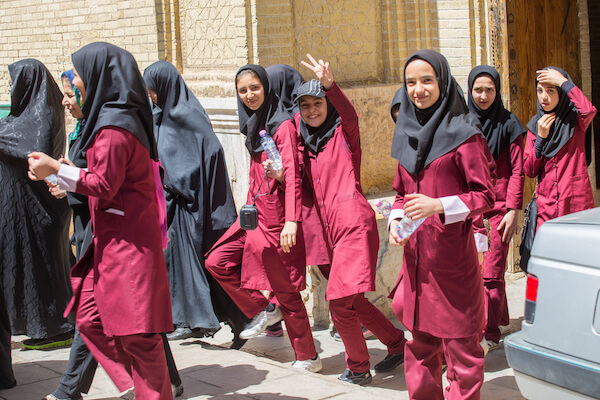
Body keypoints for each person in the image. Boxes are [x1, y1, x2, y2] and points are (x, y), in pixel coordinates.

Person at [28, 42, 174, 400]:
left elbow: (104, 185)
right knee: (89, 316)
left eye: (77, 72)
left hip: (129, 247)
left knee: (140, 337)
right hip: (110, 244)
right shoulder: (109, 120)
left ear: (97, 75)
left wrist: (57, 168)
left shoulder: (114, 128)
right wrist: (62, 175)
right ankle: (130, 383)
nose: (74, 81)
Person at [284, 55, 406, 385]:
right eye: (305, 105)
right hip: (330, 235)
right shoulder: (305, 147)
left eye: (318, 103)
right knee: (352, 300)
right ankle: (396, 344)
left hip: (354, 225)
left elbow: (349, 115)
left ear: (328, 105)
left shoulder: (343, 135)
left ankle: (358, 368)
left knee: (338, 302)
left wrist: (330, 84)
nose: (312, 111)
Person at [388, 50, 495, 399]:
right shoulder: (407, 133)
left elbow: (486, 196)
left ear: (443, 83)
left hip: (452, 264)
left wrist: (439, 205)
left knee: (463, 354)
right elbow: (401, 193)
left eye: (427, 80)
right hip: (417, 265)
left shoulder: (464, 134)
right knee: (419, 353)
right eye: (411, 82)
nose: (418, 89)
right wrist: (396, 219)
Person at [204, 64, 321, 372]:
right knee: (217, 260)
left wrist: (292, 221)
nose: (249, 95)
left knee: (286, 289)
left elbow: (293, 176)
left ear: (266, 87)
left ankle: (308, 356)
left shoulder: (281, 125)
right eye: (243, 90)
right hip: (253, 217)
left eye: (254, 88)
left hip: (277, 219)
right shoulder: (255, 123)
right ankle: (266, 308)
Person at [143, 61, 250, 347]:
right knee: (180, 267)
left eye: (153, 91)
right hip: (176, 208)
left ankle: (243, 320)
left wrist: (175, 179)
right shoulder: (163, 115)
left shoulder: (187, 115)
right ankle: (194, 322)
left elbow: (207, 152)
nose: (151, 96)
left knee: (204, 267)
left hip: (194, 206)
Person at [0, 59, 74, 350]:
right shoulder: (21, 117)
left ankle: (55, 328)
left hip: (38, 210)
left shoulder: (42, 113)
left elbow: (31, 148)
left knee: (42, 272)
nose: (9, 87)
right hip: (21, 211)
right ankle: (37, 325)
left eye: (13, 81)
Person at [468, 65, 525, 351]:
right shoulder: (462, 123)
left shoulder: (509, 123)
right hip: (471, 210)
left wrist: (514, 209)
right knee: (479, 274)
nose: (483, 95)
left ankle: (488, 335)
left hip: (500, 209)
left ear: (498, 91)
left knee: (490, 274)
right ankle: (500, 319)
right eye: (478, 89)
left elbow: (518, 170)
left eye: (490, 89)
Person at [523, 67, 596, 227]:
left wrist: (563, 82)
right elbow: (529, 170)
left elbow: (589, 110)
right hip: (547, 206)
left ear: (561, 92)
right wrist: (541, 139)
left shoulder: (575, 121)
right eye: (540, 90)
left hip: (576, 205)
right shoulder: (536, 124)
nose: (544, 97)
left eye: (551, 90)